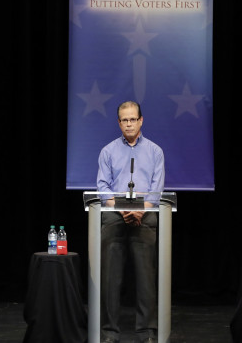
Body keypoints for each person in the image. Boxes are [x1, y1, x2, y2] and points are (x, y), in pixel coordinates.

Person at [97, 101, 165, 343]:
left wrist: (140, 211)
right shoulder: (108, 151)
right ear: (119, 123)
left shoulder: (155, 152)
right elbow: (103, 187)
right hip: (115, 215)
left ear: (141, 121)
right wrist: (123, 209)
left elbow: (157, 190)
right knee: (110, 277)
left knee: (146, 278)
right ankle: (108, 332)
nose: (129, 124)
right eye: (124, 120)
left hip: (145, 214)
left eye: (132, 119)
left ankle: (146, 332)